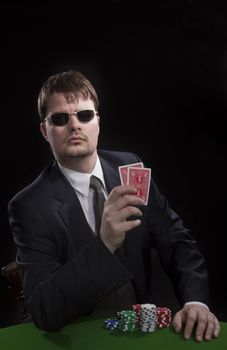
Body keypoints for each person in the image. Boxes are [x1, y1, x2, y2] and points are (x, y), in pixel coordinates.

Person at [8, 70, 220, 341]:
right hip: (81, 339)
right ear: (44, 131)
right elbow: (45, 310)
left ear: (98, 122)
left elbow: (177, 241)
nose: (75, 126)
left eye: (84, 115)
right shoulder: (29, 206)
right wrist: (104, 243)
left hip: (143, 334)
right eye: (60, 119)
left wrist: (195, 302)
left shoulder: (130, 168)